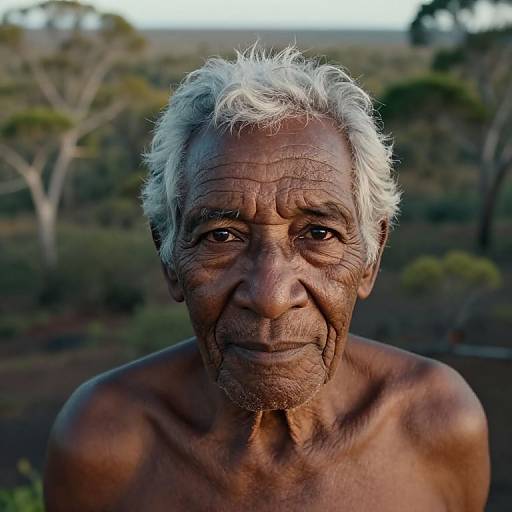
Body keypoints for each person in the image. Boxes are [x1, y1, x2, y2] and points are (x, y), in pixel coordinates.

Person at [43, 46, 490, 511]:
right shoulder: (101, 442)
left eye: (318, 233)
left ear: (371, 257)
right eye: (221, 236)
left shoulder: (439, 423)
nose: (271, 295)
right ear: (169, 255)